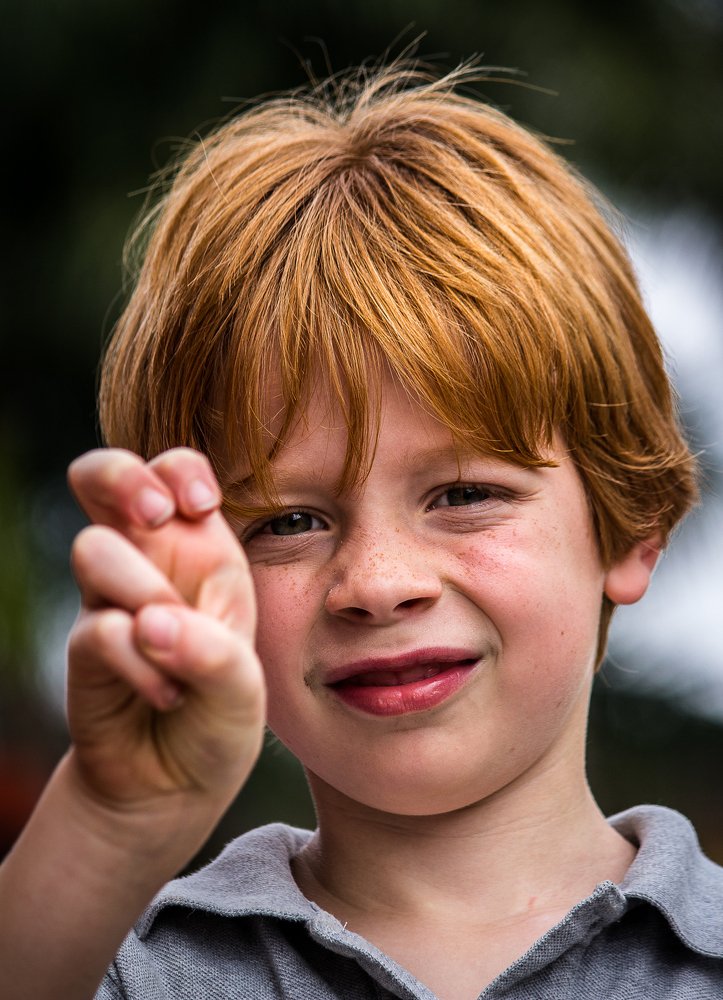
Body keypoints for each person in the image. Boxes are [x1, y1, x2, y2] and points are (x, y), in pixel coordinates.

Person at [1, 61, 721, 1000]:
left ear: (631, 526)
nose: (377, 582)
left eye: (463, 494)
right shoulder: (112, 968)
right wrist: (108, 823)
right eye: (290, 521)